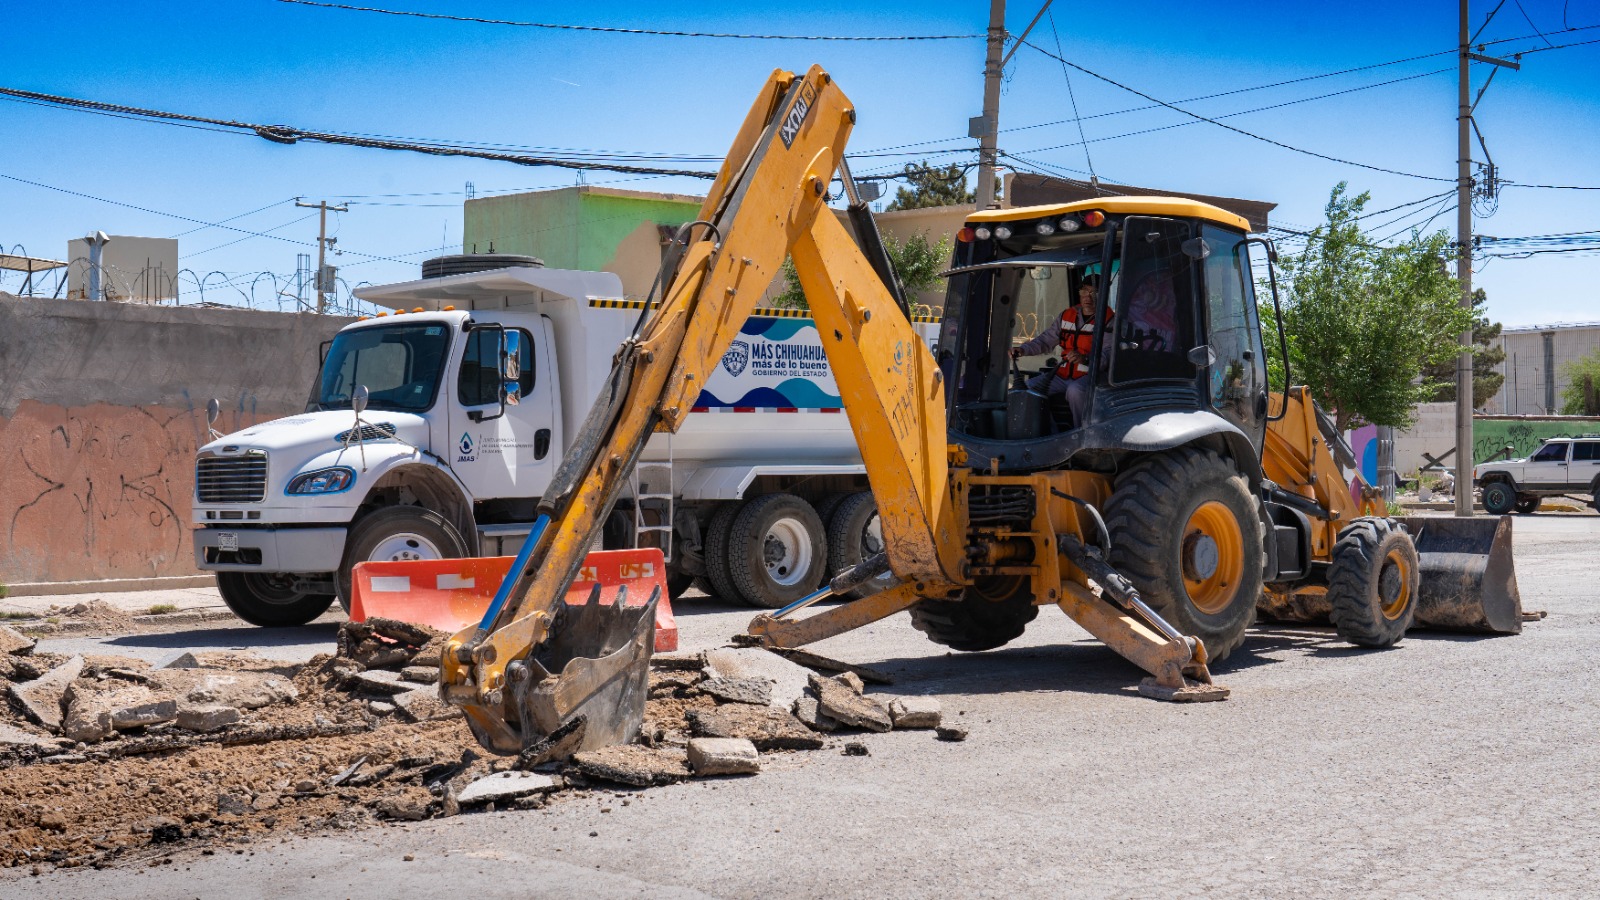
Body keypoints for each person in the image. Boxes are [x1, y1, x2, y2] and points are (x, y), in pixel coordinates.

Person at [1009, 273, 1111, 426]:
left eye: (1093, 293)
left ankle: (1082, 433)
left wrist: (1085, 359)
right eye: (1084, 291)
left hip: (1092, 376)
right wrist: (1023, 350)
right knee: (1027, 389)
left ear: (1103, 294)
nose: (1087, 297)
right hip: (1062, 375)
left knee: (1075, 391)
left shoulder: (1110, 320)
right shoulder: (1066, 316)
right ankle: (1050, 431)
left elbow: (1109, 356)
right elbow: (1045, 341)